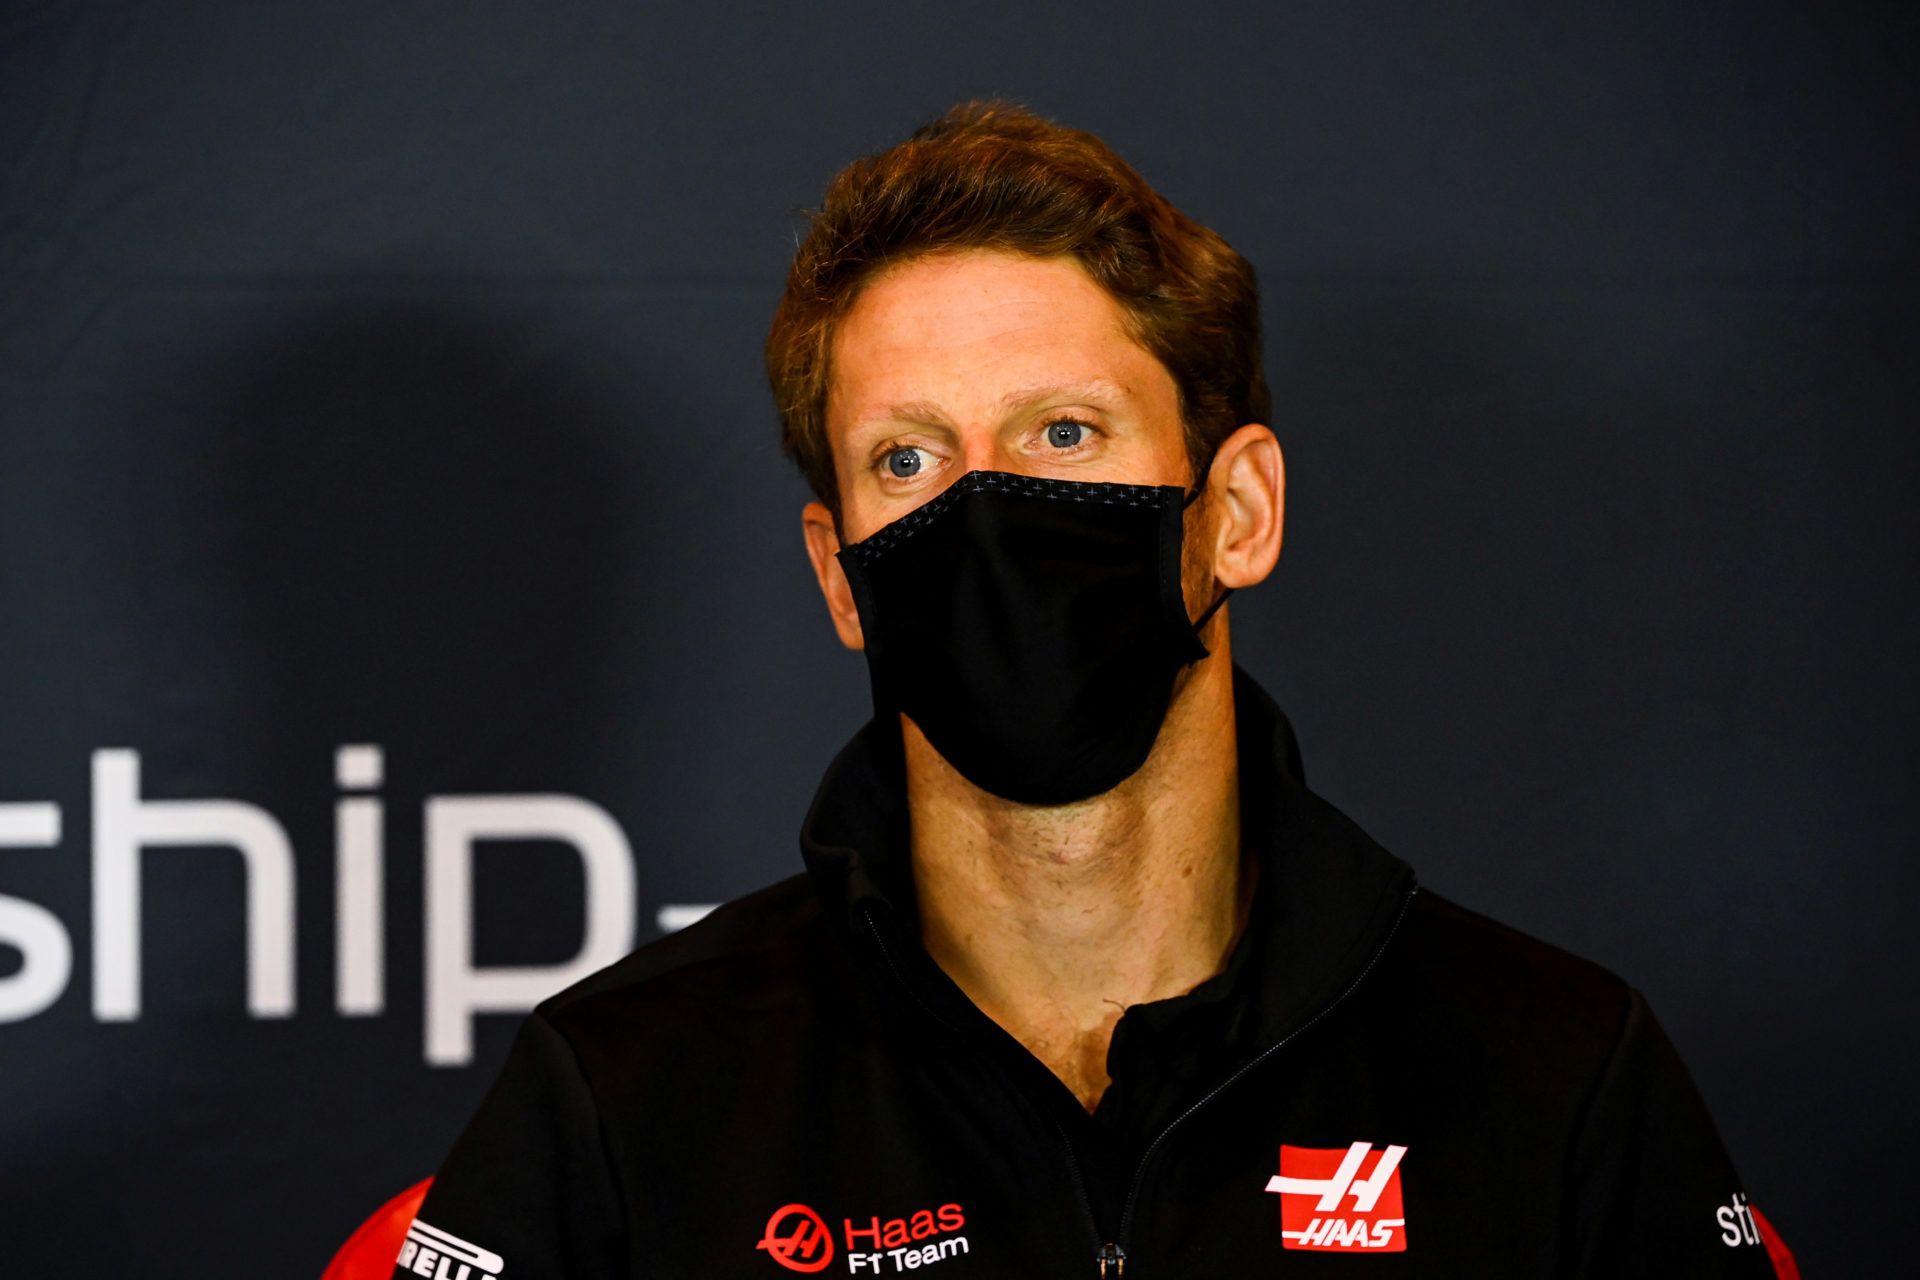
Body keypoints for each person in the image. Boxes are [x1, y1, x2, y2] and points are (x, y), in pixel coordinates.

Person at [392, 103, 1795, 1280]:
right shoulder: (631, 1098)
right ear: (839, 573)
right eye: (908, 462)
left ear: (1234, 510)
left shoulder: (1551, 1078)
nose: (987, 511)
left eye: (1064, 433)